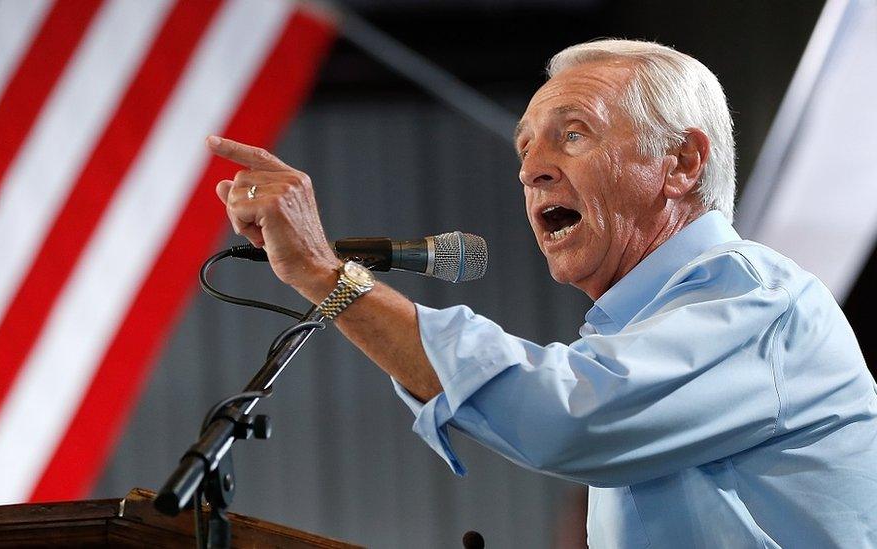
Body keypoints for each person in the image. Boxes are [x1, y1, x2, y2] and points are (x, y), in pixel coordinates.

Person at [207, 39, 877, 547]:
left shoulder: (759, 302)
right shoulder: (640, 335)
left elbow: (569, 413)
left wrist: (327, 275)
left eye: (573, 134)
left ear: (681, 163)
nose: (530, 170)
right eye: (525, 148)